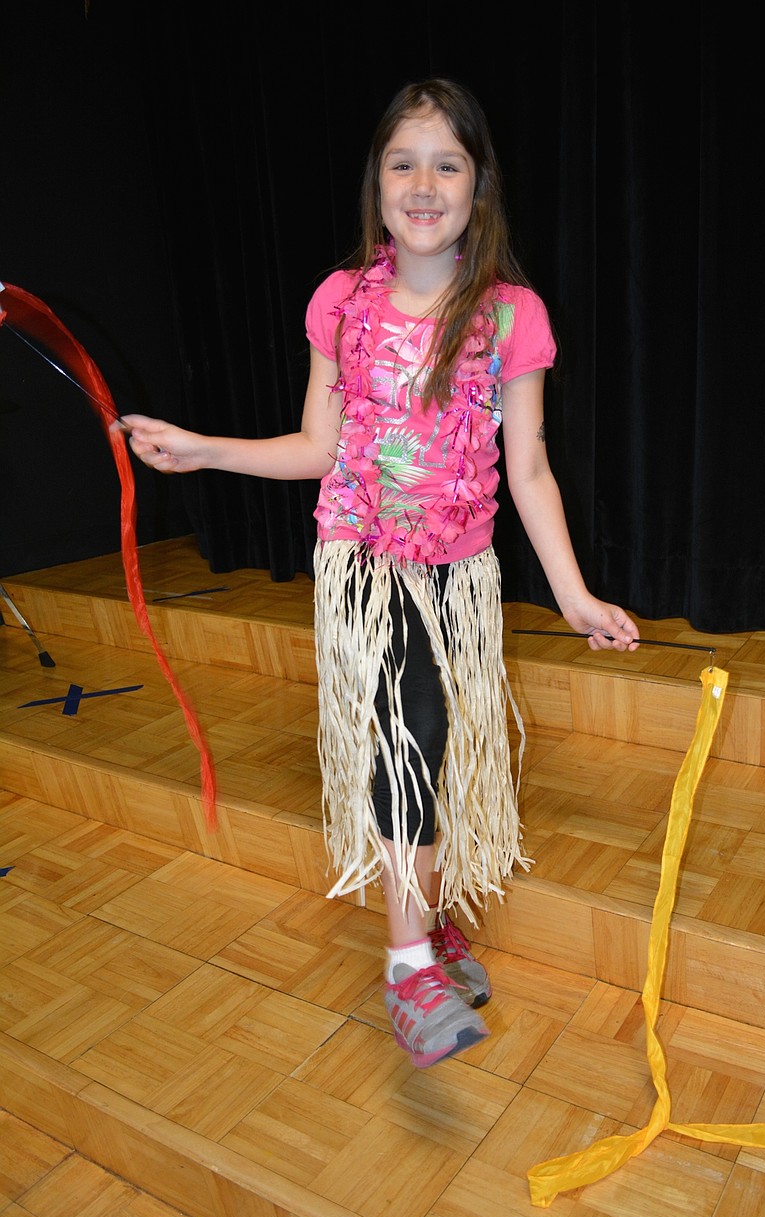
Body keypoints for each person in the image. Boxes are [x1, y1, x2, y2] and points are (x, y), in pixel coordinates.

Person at [123, 78, 640, 1071]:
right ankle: (409, 961)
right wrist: (204, 450)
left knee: (434, 748)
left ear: (478, 187)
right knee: (403, 742)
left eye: (447, 162)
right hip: (366, 571)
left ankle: (426, 926)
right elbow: (320, 446)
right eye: (402, 161)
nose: (423, 180)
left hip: (460, 579)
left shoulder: (509, 315)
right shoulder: (341, 301)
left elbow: (527, 467)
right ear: (377, 182)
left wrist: (572, 595)